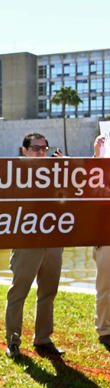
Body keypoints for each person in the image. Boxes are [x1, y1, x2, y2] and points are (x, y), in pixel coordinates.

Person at [4, 133, 65, 358]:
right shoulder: (15, 174)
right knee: (19, 291)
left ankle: (43, 338)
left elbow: (69, 199)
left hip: (53, 241)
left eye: (44, 148)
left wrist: (64, 170)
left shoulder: (56, 173)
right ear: (25, 150)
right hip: (26, 242)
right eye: (36, 148)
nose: (41, 152)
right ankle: (13, 341)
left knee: (48, 292)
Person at [92, 135, 110, 348]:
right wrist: (98, 155)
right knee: (106, 285)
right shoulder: (102, 165)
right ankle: (105, 329)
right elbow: (91, 184)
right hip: (105, 234)